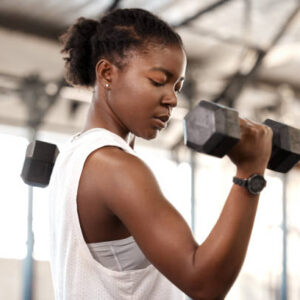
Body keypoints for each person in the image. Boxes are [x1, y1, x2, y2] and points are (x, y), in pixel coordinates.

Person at [48, 8, 273, 300]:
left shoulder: (74, 155)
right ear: (107, 73)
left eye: (176, 86)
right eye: (157, 81)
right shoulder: (113, 165)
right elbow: (205, 284)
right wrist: (250, 173)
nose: (172, 99)